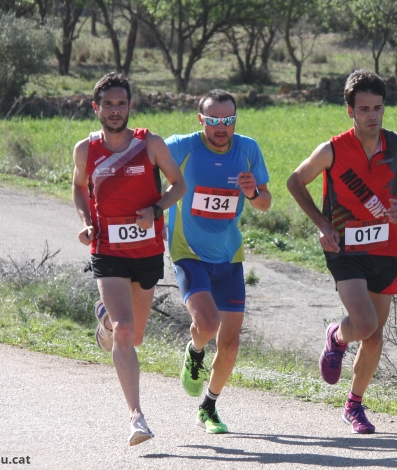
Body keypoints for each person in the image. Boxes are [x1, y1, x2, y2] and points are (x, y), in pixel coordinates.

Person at [286, 69, 397, 434]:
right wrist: (322, 224)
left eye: (378, 107)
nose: (372, 115)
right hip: (344, 247)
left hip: (384, 248)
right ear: (350, 111)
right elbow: (295, 181)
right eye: (364, 109)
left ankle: (354, 405)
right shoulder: (332, 150)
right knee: (363, 324)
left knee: (374, 336)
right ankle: (336, 336)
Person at [72, 72, 185, 446]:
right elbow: (78, 187)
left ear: (129, 106)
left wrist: (156, 209)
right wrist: (86, 222)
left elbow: (179, 185)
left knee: (134, 334)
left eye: (121, 104)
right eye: (108, 104)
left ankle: (104, 318)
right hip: (107, 250)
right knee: (125, 331)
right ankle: (137, 418)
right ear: (96, 108)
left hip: (147, 250)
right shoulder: (86, 150)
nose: (115, 110)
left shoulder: (149, 143)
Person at [164, 89, 271, 434]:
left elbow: (265, 202)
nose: (221, 127)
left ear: (235, 119)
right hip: (189, 251)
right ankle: (195, 351)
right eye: (213, 120)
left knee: (230, 343)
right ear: (201, 120)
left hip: (229, 255)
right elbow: (142, 157)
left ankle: (208, 406)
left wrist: (253, 192)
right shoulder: (182, 147)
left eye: (228, 120)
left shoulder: (248, 149)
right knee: (207, 325)